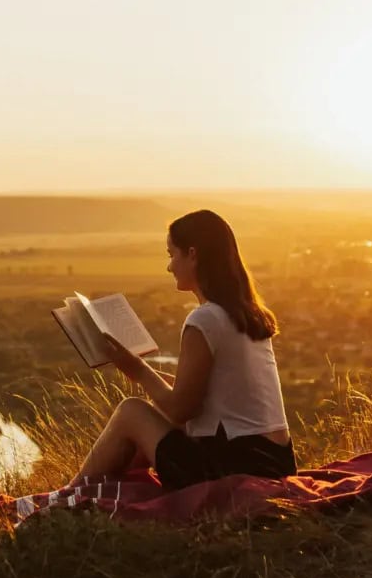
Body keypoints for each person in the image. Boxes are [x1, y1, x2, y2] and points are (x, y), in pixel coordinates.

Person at [68, 209, 297, 491]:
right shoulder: (247, 314)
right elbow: (199, 399)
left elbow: (180, 410)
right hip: (274, 461)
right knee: (153, 414)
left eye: (171, 255)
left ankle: (68, 496)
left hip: (235, 468)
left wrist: (138, 369)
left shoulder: (205, 318)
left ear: (192, 254)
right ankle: (108, 491)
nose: (169, 266)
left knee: (132, 411)